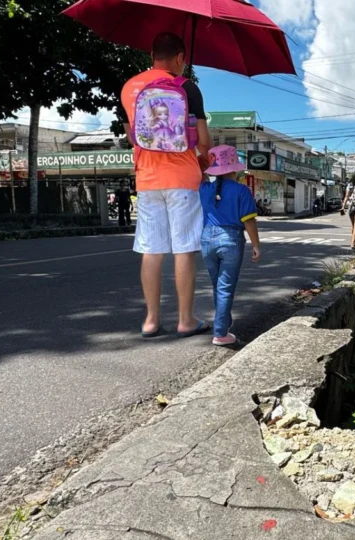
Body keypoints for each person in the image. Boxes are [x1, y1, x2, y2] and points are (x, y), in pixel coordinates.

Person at [121, 32, 213, 339]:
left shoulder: (129, 87)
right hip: (183, 179)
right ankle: (186, 319)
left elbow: (132, 135)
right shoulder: (187, 87)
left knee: (151, 249)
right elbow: (203, 142)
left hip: (146, 179)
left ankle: (150, 320)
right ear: (180, 58)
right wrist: (204, 161)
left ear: (151, 55)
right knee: (184, 248)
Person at [198, 145, 261, 347]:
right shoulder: (242, 190)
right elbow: (249, 220)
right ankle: (220, 333)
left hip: (207, 239)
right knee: (225, 288)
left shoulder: (205, 188)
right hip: (231, 239)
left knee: (218, 286)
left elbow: (199, 169)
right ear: (234, 168)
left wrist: (203, 161)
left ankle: (224, 322)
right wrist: (256, 245)